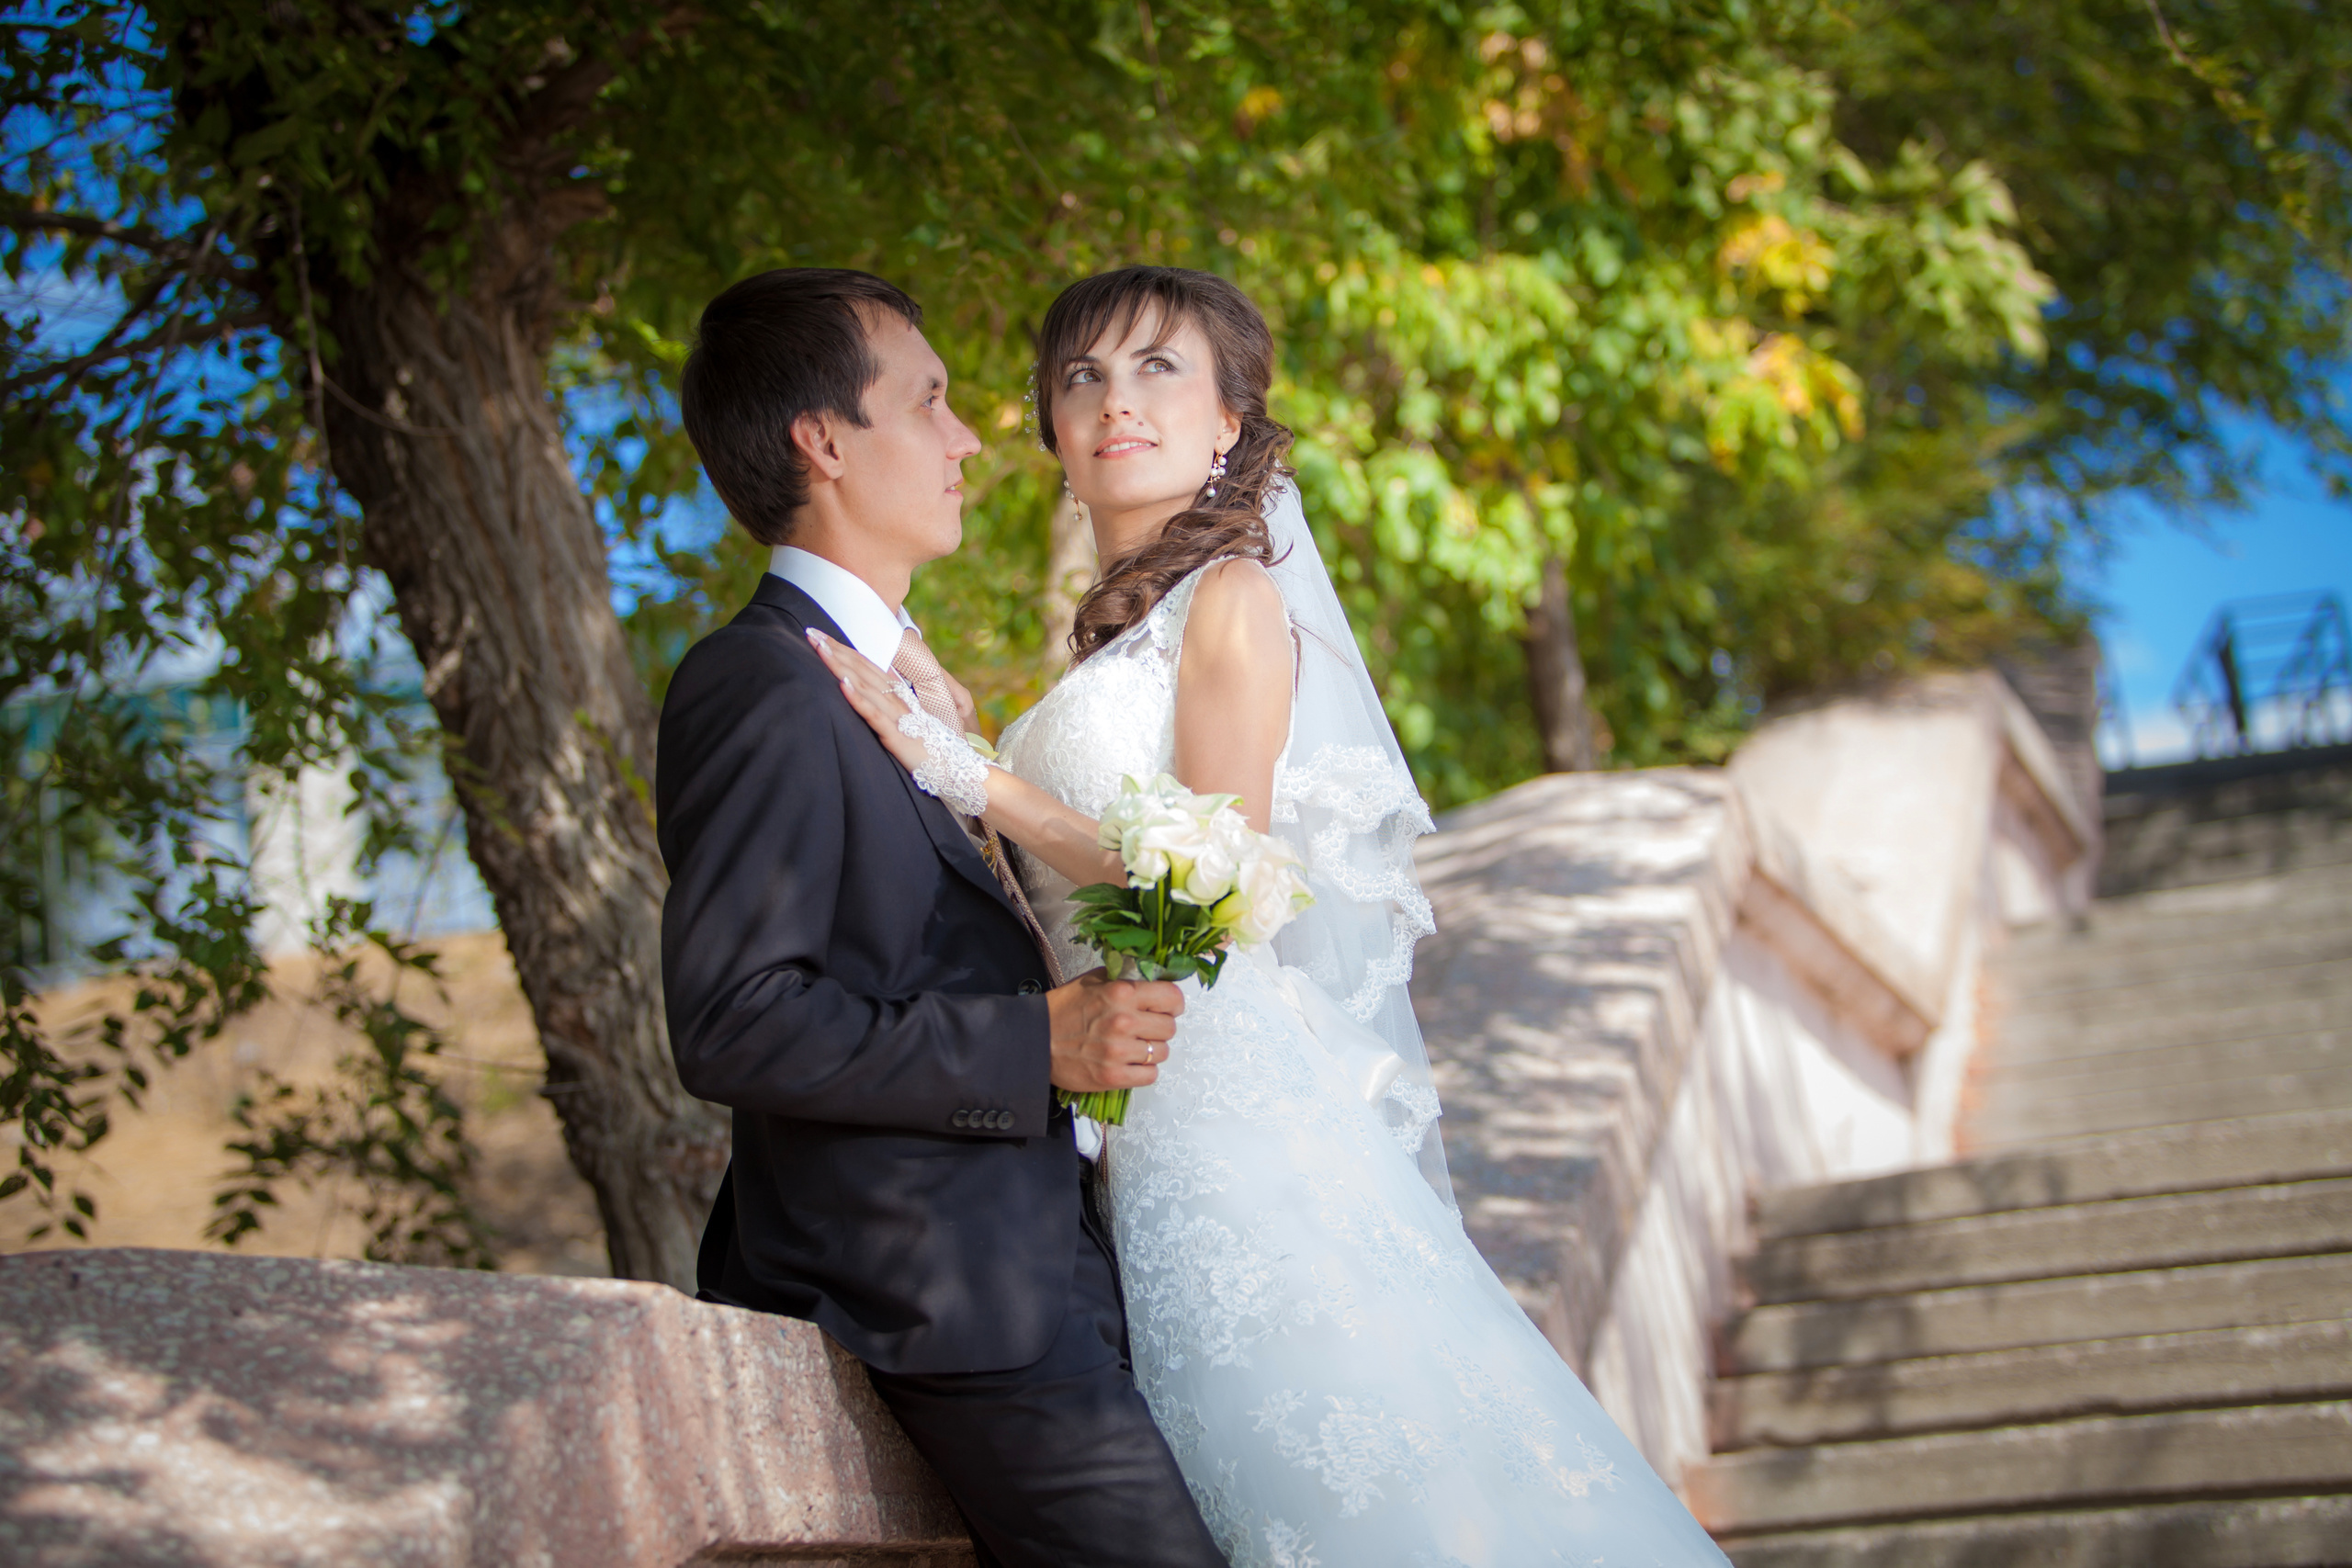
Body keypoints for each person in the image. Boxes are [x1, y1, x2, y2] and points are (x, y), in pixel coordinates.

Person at [815, 265, 1736, 1567]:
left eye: (1156, 371)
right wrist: (959, 728)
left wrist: (969, 774)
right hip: (1135, 1118)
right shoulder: (1115, 646)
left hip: (1231, 1123)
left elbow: (1211, 890)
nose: (1112, 402)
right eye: (1080, 378)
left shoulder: (1236, 599)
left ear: (1231, 424)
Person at [658, 267, 1227, 1568]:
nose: (972, 436)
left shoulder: (895, 684)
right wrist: (1038, 1044)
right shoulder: (761, 683)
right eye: (929, 402)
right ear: (823, 441)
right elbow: (734, 1023)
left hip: (1045, 1256)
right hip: (937, 1291)